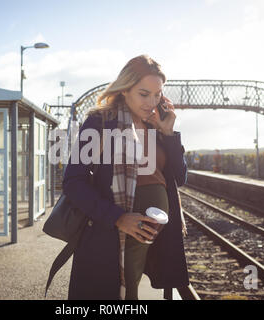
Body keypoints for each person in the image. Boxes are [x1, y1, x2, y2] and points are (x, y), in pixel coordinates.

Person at [62, 54, 189, 300]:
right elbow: (73, 182)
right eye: (144, 94)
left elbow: (180, 177)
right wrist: (119, 218)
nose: (152, 102)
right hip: (110, 233)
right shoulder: (99, 123)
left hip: (154, 235)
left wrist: (169, 133)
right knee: (117, 294)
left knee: (133, 291)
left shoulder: (157, 125)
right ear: (124, 89)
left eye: (157, 94)